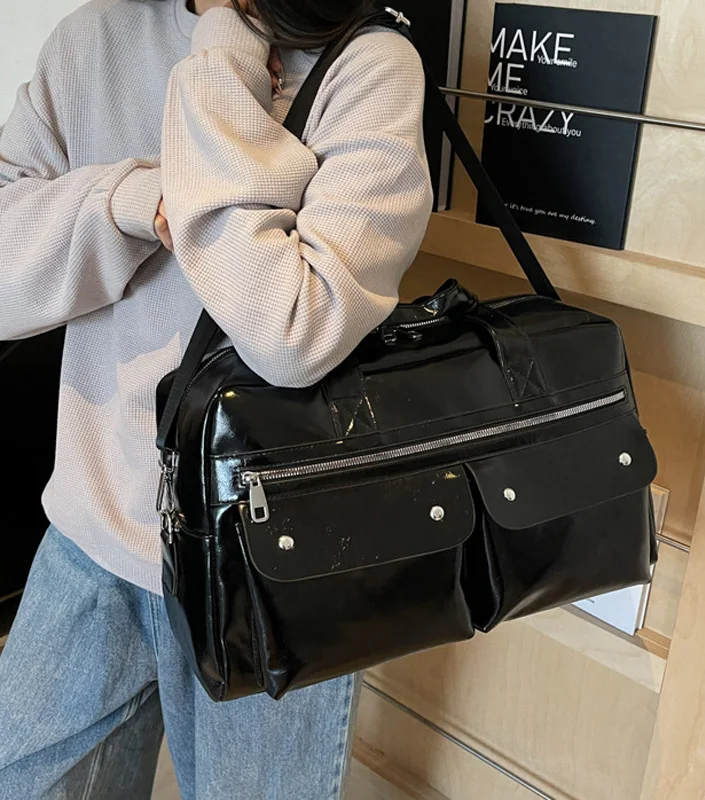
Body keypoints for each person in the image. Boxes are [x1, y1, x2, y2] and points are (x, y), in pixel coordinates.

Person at [0, 0, 432, 795]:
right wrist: (133, 202)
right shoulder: (95, 40)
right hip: (93, 531)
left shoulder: (369, 68)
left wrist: (221, 65)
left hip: (274, 564)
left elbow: (292, 329)